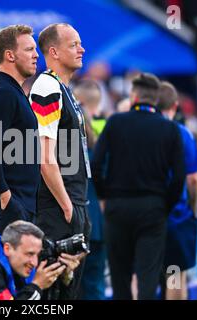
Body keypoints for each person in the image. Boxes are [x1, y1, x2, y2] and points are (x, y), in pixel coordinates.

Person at [92, 73, 185, 300]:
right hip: (154, 208)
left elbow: (94, 165)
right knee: (149, 274)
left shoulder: (115, 123)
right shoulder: (170, 129)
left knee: (119, 274)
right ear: (155, 99)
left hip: (118, 206)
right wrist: (165, 204)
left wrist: (105, 196)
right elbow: (181, 177)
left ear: (133, 96)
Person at [29, 23, 90, 299]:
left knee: (69, 291)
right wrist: (67, 206)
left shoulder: (63, 88)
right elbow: (44, 157)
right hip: (58, 208)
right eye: (74, 44)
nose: (82, 49)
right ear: (53, 52)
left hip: (73, 201)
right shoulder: (46, 86)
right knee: (53, 292)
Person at [0, 25, 40, 235]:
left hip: (16, 204)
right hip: (5, 207)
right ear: (10, 55)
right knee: (1, 268)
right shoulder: (3, 92)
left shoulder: (11, 90)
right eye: (29, 49)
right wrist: (5, 196)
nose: (36, 55)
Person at [157, 81, 197, 300]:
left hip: (144, 219)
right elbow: (193, 180)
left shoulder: (142, 130)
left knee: (140, 276)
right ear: (175, 106)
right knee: (174, 275)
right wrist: (192, 209)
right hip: (176, 219)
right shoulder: (183, 134)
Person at [73, 80, 107, 300]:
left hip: (74, 220)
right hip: (97, 222)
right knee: (94, 285)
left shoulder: (65, 146)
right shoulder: (103, 139)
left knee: (74, 286)